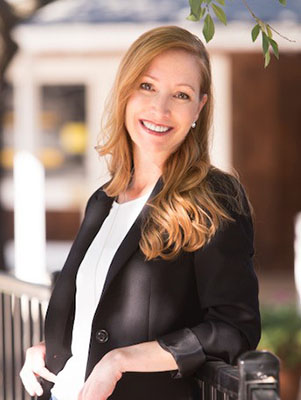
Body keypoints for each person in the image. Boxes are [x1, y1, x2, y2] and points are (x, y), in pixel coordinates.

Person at [20, 25, 261, 400]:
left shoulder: (215, 197)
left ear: (199, 107)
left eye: (181, 95)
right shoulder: (103, 199)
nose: (160, 109)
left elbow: (234, 328)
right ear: (126, 90)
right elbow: (94, 309)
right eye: (147, 86)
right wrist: (51, 350)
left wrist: (120, 360)